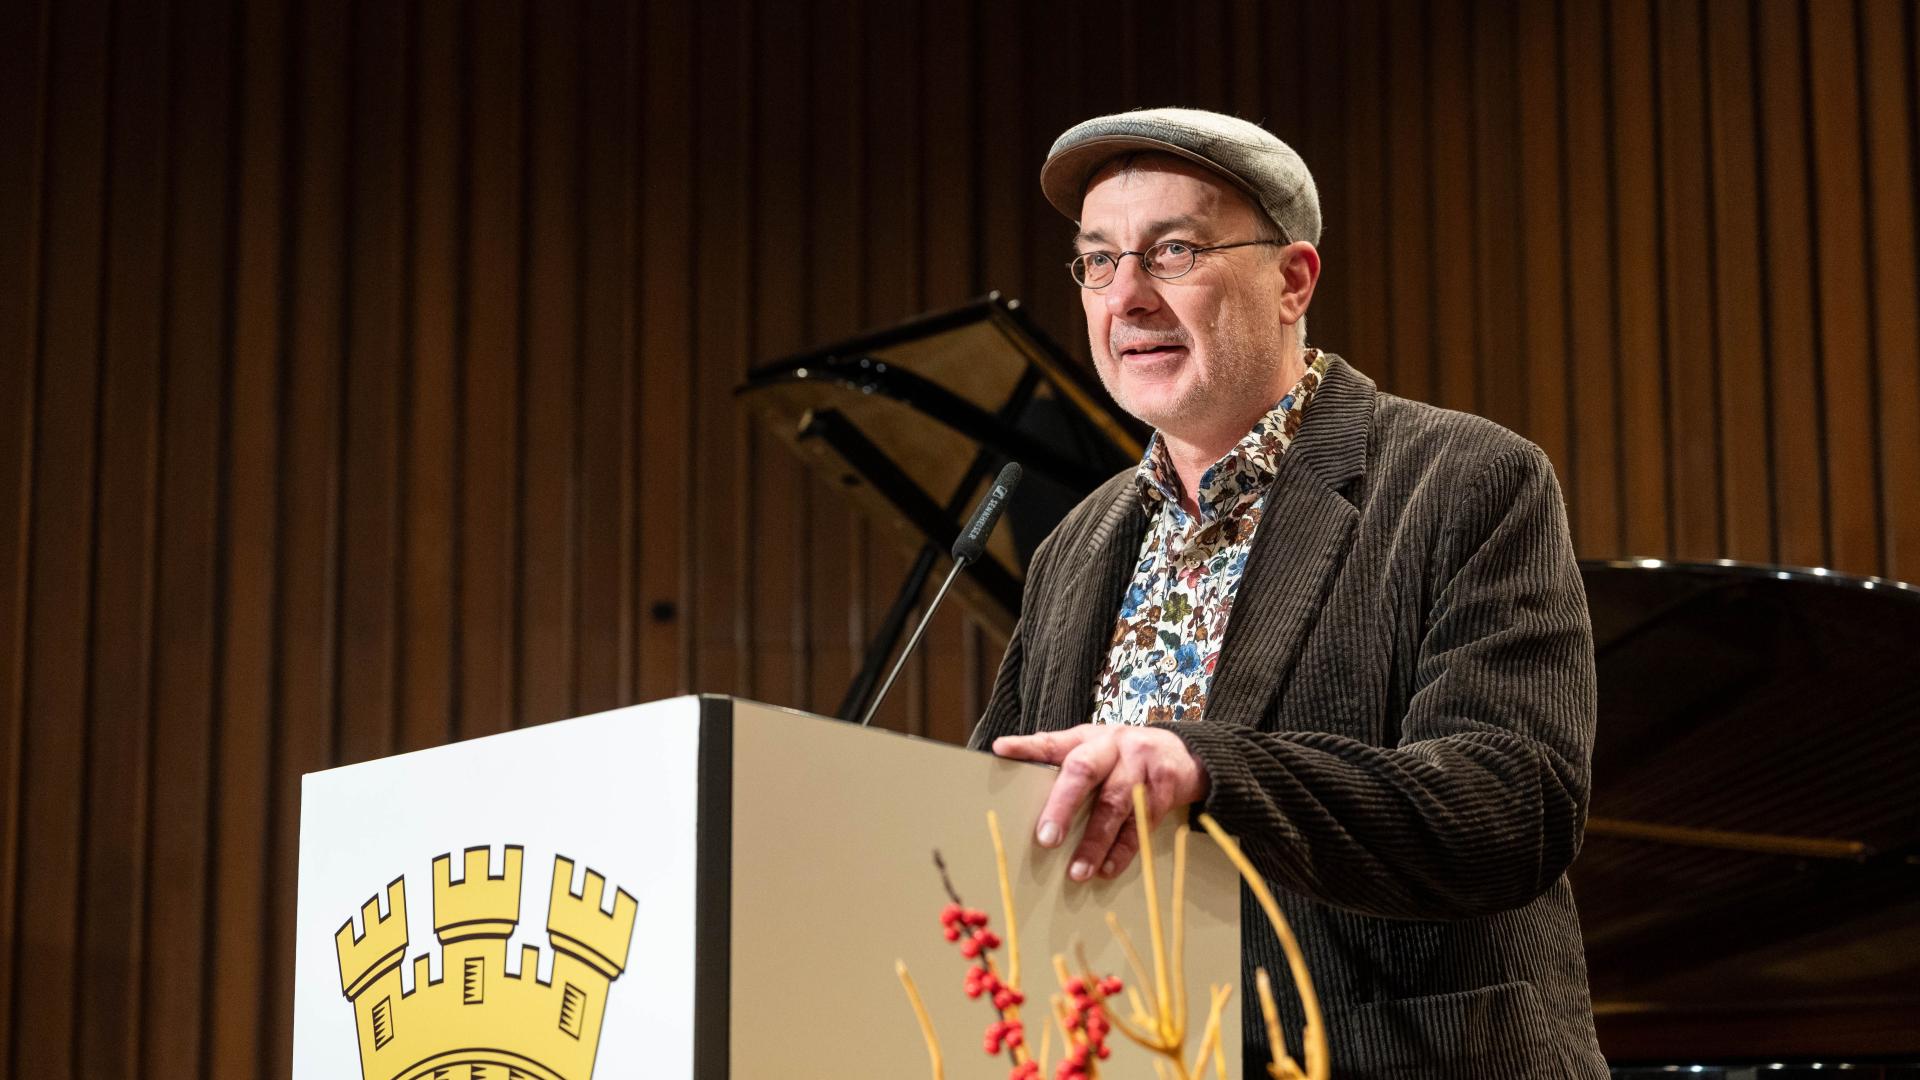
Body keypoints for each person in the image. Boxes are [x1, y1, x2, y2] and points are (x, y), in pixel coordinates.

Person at [970, 107, 1610, 1078]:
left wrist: (1203, 771)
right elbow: (998, 825)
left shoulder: (1468, 480)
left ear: (1292, 280)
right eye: (1099, 261)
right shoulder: (1073, 547)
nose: (1126, 297)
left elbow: (1511, 805)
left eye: (1172, 250)